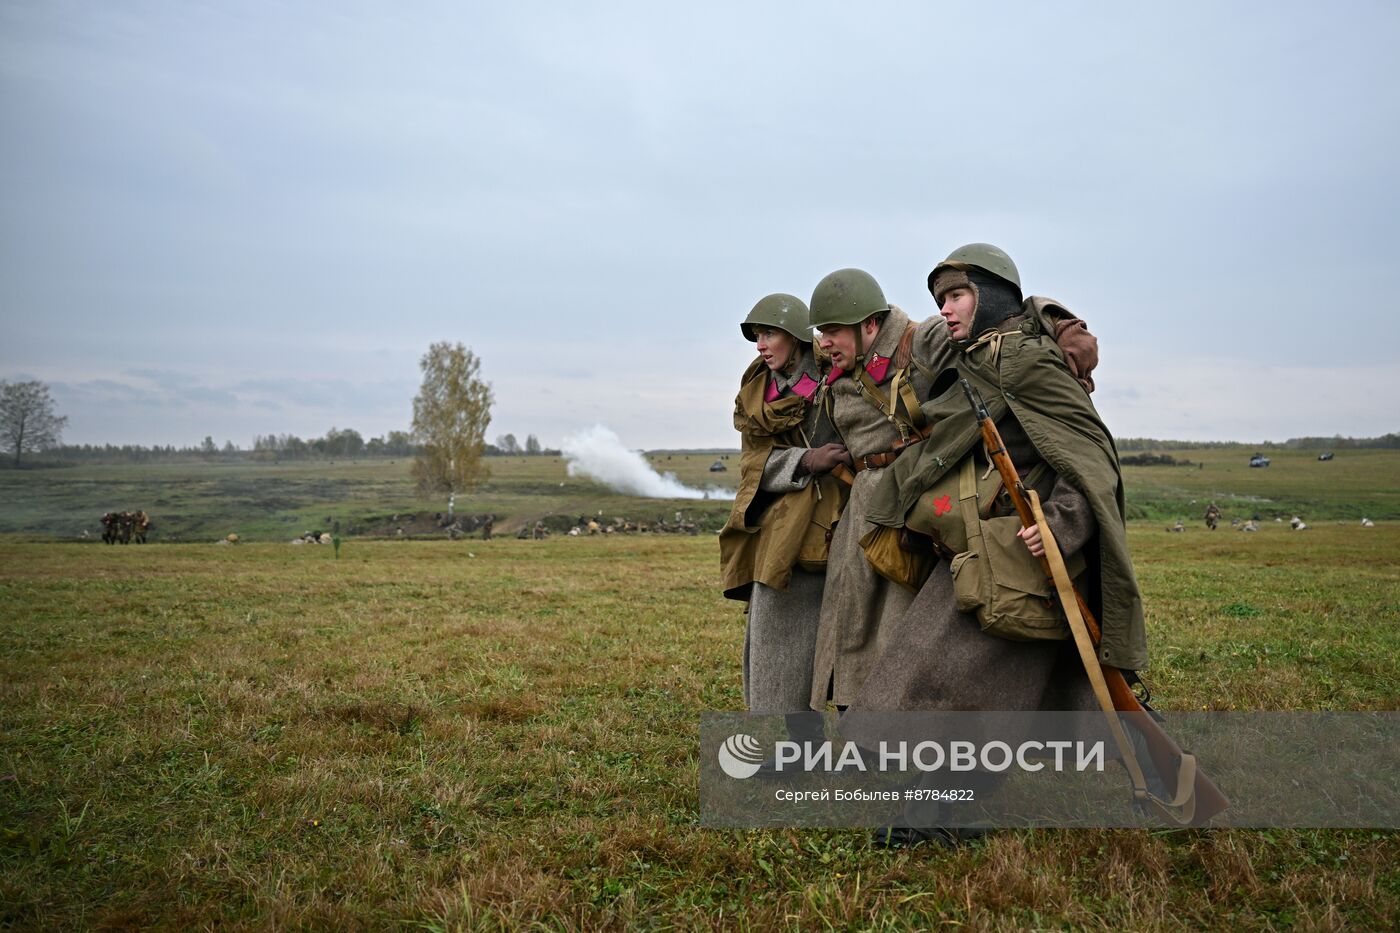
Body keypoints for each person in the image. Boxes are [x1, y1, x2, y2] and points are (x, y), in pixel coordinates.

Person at [846, 243, 1140, 847]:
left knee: (960, 692)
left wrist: (1060, 524)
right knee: (941, 682)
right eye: (940, 300)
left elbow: (1090, 460)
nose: (946, 310)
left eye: (956, 296)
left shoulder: (1030, 362)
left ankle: (949, 820)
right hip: (977, 551)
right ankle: (935, 814)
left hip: (1025, 557)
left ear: (992, 295)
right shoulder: (972, 361)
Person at [719, 294, 849, 736]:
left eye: (769, 333)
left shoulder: (838, 374)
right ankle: (802, 746)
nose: (760, 344)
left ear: (795, 338)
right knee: (782, 643)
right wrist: (803, 461)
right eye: (756, 336)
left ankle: (867, 746)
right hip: (786, 532)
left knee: (856, 644)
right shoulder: (757, 391)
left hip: (849, 518)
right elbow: (752, 463)